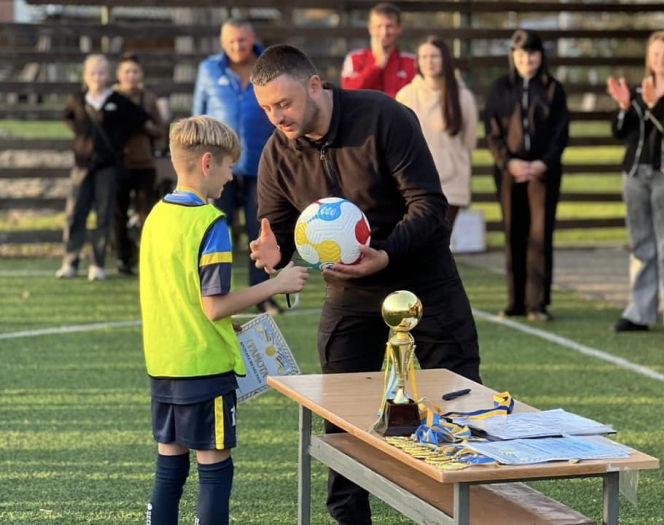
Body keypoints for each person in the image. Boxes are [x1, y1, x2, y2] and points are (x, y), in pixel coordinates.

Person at [249, 44, 480, 525]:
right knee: (342, 407)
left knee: (461, 396)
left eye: (284, 104)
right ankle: (349, 518)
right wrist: (273, 257)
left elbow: (429, 207)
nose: (276, 117)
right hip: (350, 292)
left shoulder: (385, 117)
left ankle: (464, 510)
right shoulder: (277, 153)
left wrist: (388, 255)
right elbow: (278, 231)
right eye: (267, 108)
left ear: (316, 85)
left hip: (423, 278)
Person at [139, 115, 308, 525]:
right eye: (230, 166)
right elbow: (212, 305)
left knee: (170, 467)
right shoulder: (209, 222)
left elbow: (177, 297)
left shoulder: (155, 216)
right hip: (204, 368)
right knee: (214, 469)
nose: (232, 177)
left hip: (164, 365)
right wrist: (277, 284)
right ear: (207, 162)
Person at [607, 30, 664, 339]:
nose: (661, 60)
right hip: (636, 175)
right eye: (656, 54)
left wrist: (652, 105)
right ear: (648, 57)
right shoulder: (637, 89)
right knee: (641, 244)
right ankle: (640, 312)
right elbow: (622, 133)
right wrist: (624, 108)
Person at [192, 19, 279, 314]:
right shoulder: (208, 70)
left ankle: (262, 295)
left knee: (261, 230)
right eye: (231, 41)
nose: (237, 46)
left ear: (252, 38)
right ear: (222, 42)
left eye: (242, 40)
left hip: (263, 163)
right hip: (219, 167)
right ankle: (214, 292)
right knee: (217, 226)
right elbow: (198, 118)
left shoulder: (270, 64)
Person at [484, 29, 570, 322]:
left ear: (540, 55)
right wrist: (508, 163)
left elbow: (561, 131)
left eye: (532, 53)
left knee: (540, 234)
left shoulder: (553, 89)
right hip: (510, 172)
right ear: (513, 56)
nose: (527, 59)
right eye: (520, 53)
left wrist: (543, 163)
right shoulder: (499, 89)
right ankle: (515, 301)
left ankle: (538, 303)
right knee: (513, 232)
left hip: (543, 173)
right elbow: (493, 132)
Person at [56, 54, 151, 281]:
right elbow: (69, 118)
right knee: (75, 214)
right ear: (86, 76)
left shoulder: (118, 101)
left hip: (108, 167)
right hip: (81, 166)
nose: (97, 77)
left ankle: (97, 264)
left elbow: (139, 120)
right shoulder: (78, 100)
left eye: (101, 73)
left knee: (104, 217)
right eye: (92, 73)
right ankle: (70, 261)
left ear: (109, 75)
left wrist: (117, 142)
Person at [396, 36, 479, 231]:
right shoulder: (406, 95)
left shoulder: (463, 97)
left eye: (434, 56)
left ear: (445, 59)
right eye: (423, 56)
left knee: (442, 242)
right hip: (415, 185)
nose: (429, 61)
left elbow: (469, 141)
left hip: (452, 183)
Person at [112, 52, 166, 275]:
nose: (131, 76)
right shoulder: (111, 97)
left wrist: (145, 126)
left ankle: (149, 258)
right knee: (118, 215)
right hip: (118, 163)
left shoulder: (148, 99)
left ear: (141, 74)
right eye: (127, 72)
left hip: (144, 163)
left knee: (148, 214)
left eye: (135, 72)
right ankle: (123, 259)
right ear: (119, 74)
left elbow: (160, 129)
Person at [340, 2, 415, 98]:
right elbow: (348, 94)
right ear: (370, 28)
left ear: (399, 28)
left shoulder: (411, 62)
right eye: (379, 26)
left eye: (389, 26)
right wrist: (378, 65)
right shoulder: (354, 58)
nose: (384, 33)